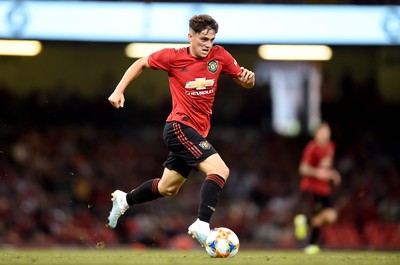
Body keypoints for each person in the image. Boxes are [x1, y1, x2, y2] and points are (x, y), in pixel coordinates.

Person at [106, 14, 255, 247]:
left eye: (212, 39)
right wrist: (119, 91)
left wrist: (248, 79)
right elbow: (140, 63)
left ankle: (124, 200)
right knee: (220, 170)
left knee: (168, 188)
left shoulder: (220, 56)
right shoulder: (173, 57)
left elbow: (244, 81)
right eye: (203, 38)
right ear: (191, 36)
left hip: (197, 132)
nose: (208, 44)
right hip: (178, 126)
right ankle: (202, 224)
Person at [293, 122, 341, 254]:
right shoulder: (312, 148)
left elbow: (326, 167)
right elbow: (303, 168)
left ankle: (305, 221)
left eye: (327, 131)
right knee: (320, 215)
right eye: (323, 131)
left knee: (331, 217)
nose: (326, 134)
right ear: (316, 134)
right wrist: (317, 173)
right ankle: (312, 245)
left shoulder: (331, 146)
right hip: (312, 187)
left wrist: (332, 173)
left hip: (325, 189)